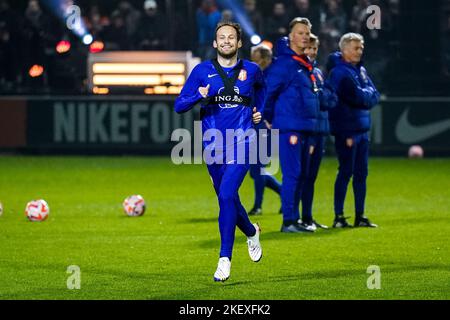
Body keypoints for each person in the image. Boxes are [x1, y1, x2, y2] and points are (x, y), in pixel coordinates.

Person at [174, 22, 265, 282]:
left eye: (231, 37)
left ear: (239, 43)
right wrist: (196, 96)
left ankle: (224, 258)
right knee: (229, 200)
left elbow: (262, 90)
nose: (226, 41)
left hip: (244, 141)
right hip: (214, 145)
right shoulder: (202, 71)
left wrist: (260, 112)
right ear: (215, 43)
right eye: (221, 37)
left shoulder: (252, 70)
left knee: (226, 195)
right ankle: (251, 232)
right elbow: (179, 105)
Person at [263, 17, 320, 233]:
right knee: (293, 174)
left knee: (302, 174)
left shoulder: (303, 64)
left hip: (305, 126)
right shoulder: (285, 64)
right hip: (290, 127)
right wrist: (266, 117)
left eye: (307, 32)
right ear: (291, 37)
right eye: (300, 33)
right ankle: (288, 221)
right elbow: (268, 92)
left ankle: (295, 219)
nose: (305, 36)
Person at [327, 33, 380, 228]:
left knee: (361, 173)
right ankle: (339, 216)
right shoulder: (340, 73)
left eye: (361, 47)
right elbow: (357, 97)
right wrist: (367, 95)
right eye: (357, 48)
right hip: (347, 130)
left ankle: (360, 215)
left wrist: (366, 95)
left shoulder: (360, 70)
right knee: (346, 172)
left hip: (362, 129)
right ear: (345, 50)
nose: (360, 51)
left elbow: (375, 95)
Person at [300, 33, 337, 230]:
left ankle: (307, 216)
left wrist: (324, 97)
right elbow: (320, 99)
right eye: (309, 48)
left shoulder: (318, 71)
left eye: (314, 48)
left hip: (320, 129)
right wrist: (324, 97)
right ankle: (297, 217)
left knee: (311, 176)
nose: (312, 52)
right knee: (302, 175)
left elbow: (329, 98)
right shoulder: (302, 72)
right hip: (309, 131)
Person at [248, 44, 282, 216]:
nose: (253, 62)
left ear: (265, 59)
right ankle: (284, 193)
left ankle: (258, 206)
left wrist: (271, 119)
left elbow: (273, 101)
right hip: (256, 125)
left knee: (258, 168)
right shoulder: (260, 75)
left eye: (256, 59)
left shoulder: (273, 76)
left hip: (266, 125)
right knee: (255, 171)